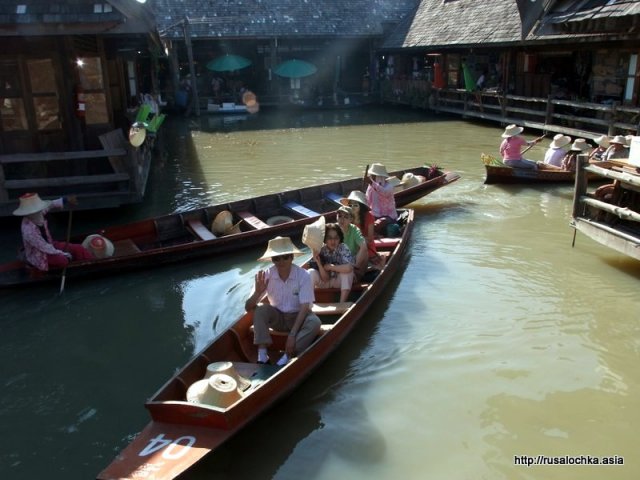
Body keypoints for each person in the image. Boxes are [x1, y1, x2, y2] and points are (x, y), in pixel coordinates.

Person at [244, 236, 321, 367]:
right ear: (272, 260)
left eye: (285, 256)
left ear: (292, 257)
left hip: (299, 317)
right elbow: (248, 307)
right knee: (260, 309)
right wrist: (257, 292)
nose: (281, 261)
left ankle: (288, 355)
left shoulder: (303, 276)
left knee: (315, 322)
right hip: (278, 318)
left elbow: (304, 308)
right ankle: (262, 355)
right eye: (276, 258)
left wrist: (292, 335)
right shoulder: (266, 275)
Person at [12, 192, 94, 271]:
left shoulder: (38, 213)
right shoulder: (28, 231)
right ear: (28, 213)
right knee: (63, 260)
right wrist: (63, 254)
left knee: (78, 248)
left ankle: (93, 262)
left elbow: (51, 205)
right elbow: (44, 247)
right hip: (40, 254)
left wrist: (66, 199)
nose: (39, 211)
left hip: (51, 244)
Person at [308, 223, 354, 303]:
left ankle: (341, 303)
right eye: (329, 238)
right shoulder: (321, 250)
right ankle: (308, 304)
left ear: (340, 239)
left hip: (339, 282)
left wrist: (331, 267)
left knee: (347, 273)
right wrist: (319, 263)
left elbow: (349, 268)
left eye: (336, 238)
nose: (333, 241)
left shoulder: (343, 248)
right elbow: (325, 279)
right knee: (311, 272)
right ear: (325, 239)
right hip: (326, 282)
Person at [340, 190, 385, 271]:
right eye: (350, 205)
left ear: (361, 206)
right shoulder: (347, 216)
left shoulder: (369, 216)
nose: (352, 207)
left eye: (355, 205)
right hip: (350, 246)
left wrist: (358, 242)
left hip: (366, 246)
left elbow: (370, 238)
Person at [335, 205, 369, 279]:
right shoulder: (333, 229)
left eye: (346, 217)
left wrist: (354, 266)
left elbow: (363, 246)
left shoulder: (354, 229)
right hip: (338, 262)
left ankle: (358, 276)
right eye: (340, 216)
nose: (342, 220)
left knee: (365, 252)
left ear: (351, 219)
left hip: (353, 261)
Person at [365, 163, 398, 234]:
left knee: (380, 223)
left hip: (389, 216)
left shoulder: (389, 186)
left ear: (380, 177)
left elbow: (384, 192)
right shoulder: (371, 186)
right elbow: (367, 200)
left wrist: (371, 183)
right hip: (374, 214)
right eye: (371, 175)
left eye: (374, 176)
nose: (371, 177)